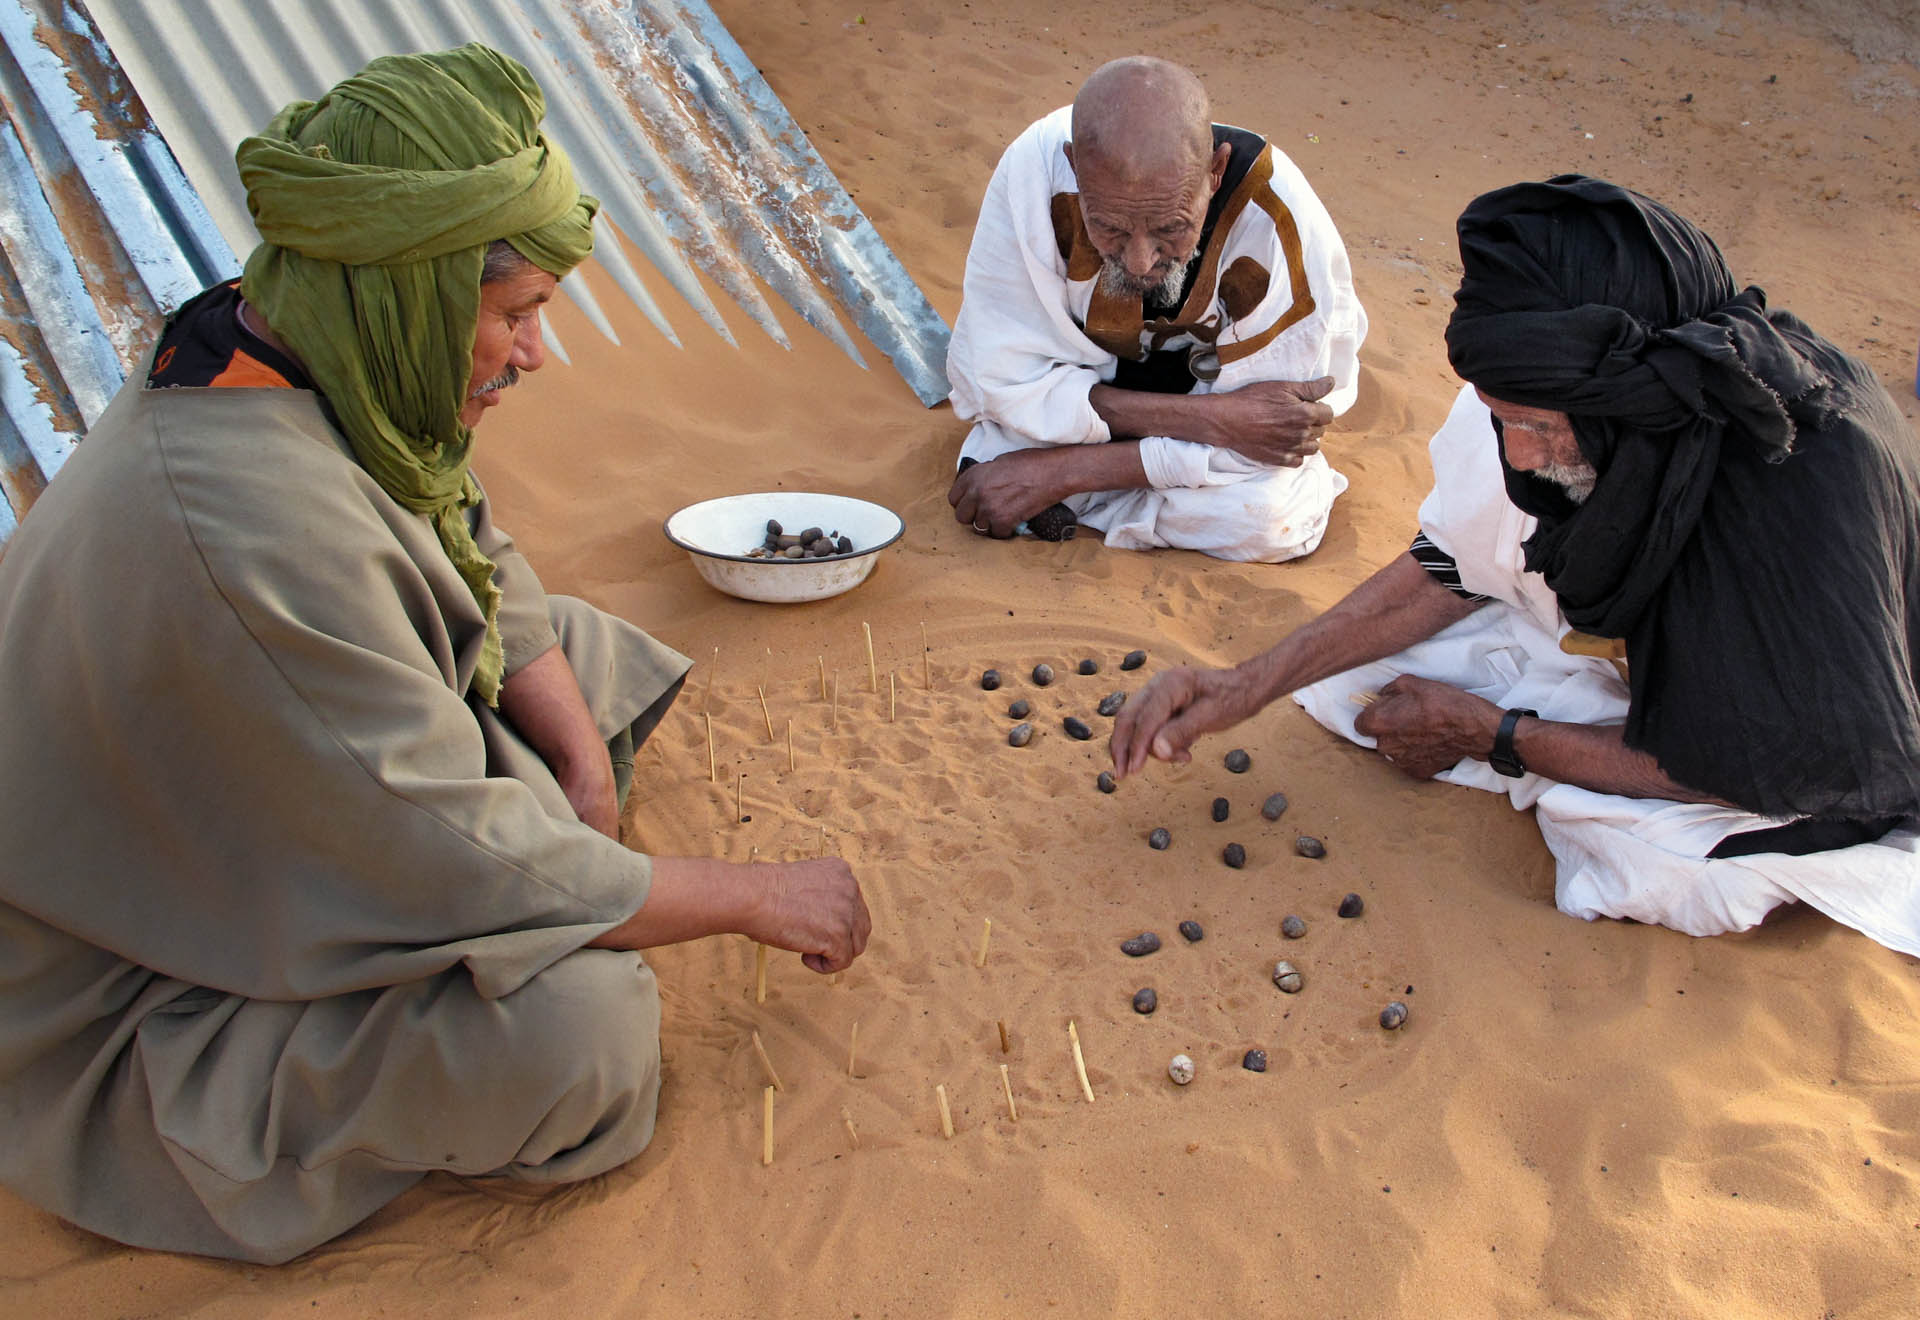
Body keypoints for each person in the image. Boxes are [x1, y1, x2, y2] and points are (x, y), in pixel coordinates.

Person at [0, 45, 869, 1264]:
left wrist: (576, 750)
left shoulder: (291, 344)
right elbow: (473, 862)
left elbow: (459, 524)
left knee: (574, 657)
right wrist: (755, 894)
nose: (536, 355)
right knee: (579, 1034)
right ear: (407, 294)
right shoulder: (258, 536)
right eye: (515, 318)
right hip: (129, 1001)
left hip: (263, 808)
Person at [1111, 175, 1920, 953]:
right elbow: (1454, 564)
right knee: (1343, 680)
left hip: (1794, 742)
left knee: (1665, 873)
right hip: (1642, 664)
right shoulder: (1540, 402)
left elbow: (1739, 768)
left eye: (1535, 423)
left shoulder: (1798, 492)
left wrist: (1492, 734)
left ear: (1626, 407)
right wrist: (1245, 683)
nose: (1519, 453)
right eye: (1502, 419)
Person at [944, 56, 1367, 561]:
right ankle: (1079, 481)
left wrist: (1064, 471)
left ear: (1215, 172)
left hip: (1121, 426)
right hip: (1133, 411)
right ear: (1075, 167)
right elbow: (996, 377)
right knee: (1001, 446)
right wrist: (1213, 420)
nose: (1141, 261)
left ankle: (1057, 490)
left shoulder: (1281, 224)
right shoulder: (1035, 171)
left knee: (1269, 518)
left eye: (1171, 229)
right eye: (1111, 230)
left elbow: (1273, 433)